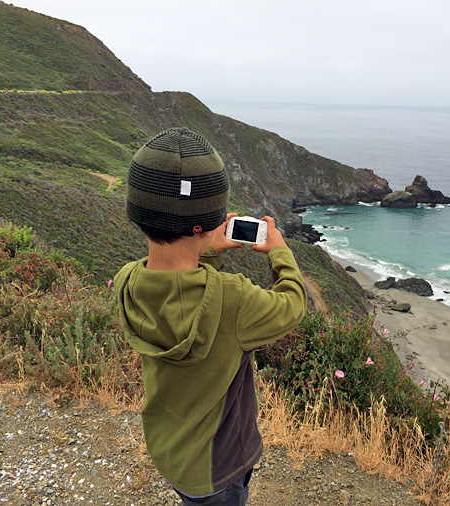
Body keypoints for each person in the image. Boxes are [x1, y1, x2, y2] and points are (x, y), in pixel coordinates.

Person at [114, 127, 307, 505]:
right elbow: (293, 304)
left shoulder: (128, 281)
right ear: (206, 223)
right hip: (218, 467)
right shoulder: (230, 298)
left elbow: (178, 290)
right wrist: (279, 251)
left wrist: (205, 249)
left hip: (170, 448)